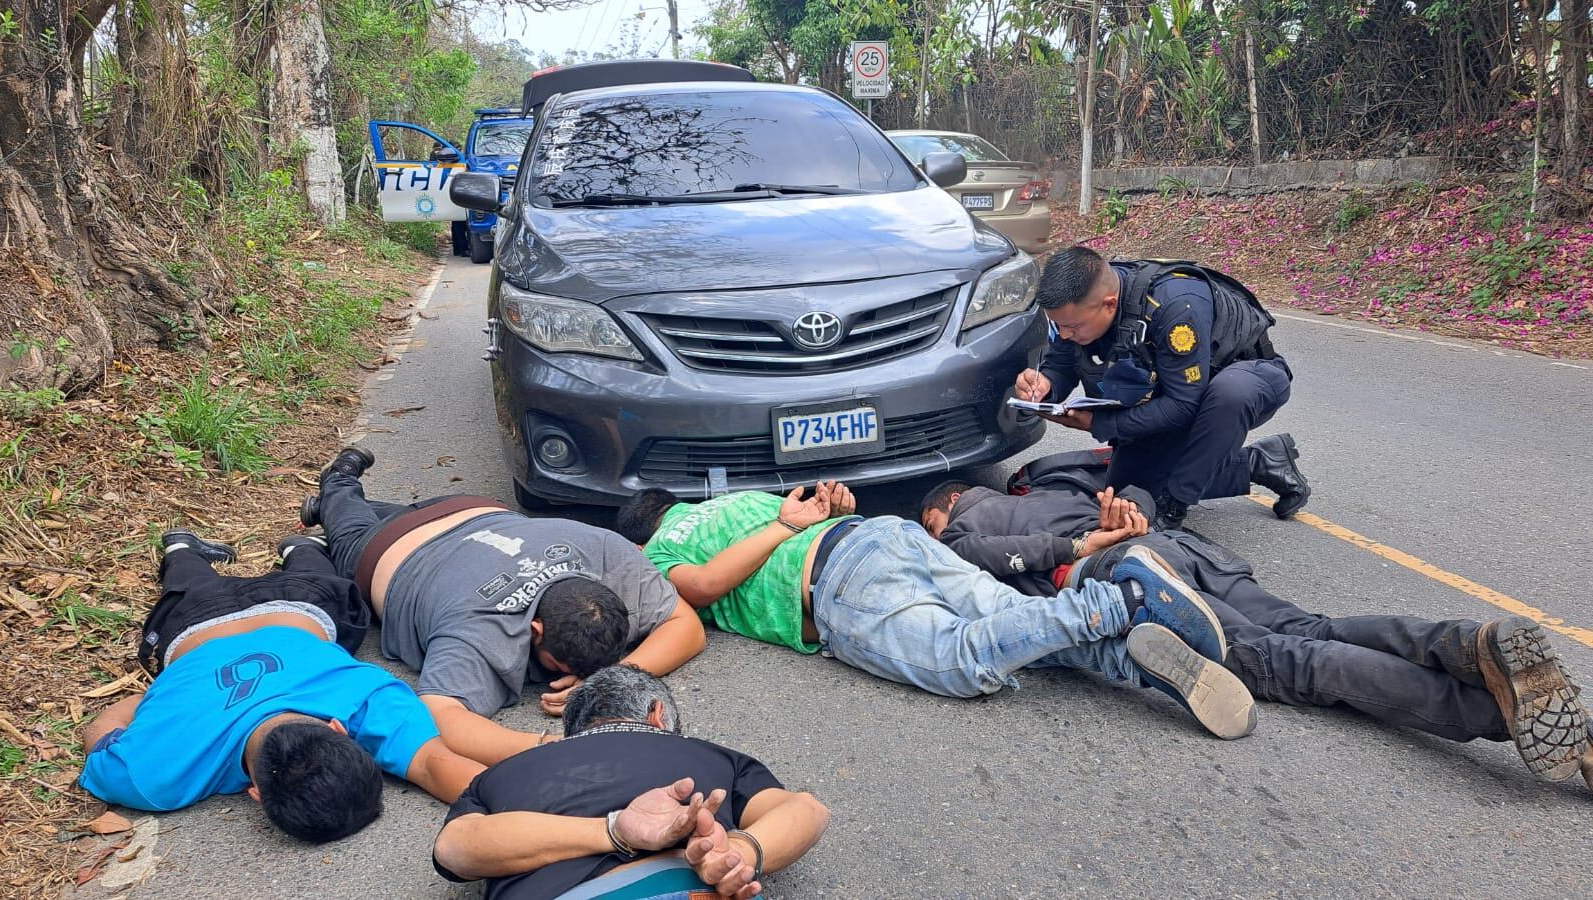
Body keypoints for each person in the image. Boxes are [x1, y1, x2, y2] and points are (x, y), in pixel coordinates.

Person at [919, 474, 1593, 789]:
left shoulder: (965, 530)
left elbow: (993, 560)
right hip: (1183, 549)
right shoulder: (1048, 481)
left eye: (932, 527)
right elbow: (1144, 490)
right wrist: (1129, 510)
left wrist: (1084, 539)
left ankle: (1495, 711)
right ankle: (1465, 645)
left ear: (944, 510)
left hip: (1130, 571)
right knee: (1312, 626)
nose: (935, 539)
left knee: (1287, 662)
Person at [617, 482, 1259, 739]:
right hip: (885, 536)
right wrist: (801, 521)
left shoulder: (665, 541)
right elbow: (808, 523)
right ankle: (1140, 661)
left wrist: (784, 529)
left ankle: (1122, 600)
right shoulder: (741, 499)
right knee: (1020, 625)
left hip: (841, 585)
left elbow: (697, 589)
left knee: (964, 657)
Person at [79, 530, 493, 842]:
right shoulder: (148, 776)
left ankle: (300, 546)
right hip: (193, 625)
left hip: (293, 606)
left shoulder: (367, 697)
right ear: (257, 794)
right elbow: (99, 734)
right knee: (187, 589)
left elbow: (434, 764)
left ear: (337, 730)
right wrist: (148, 703)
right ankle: (183, 551)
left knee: (322, 582)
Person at [300, 447, 705, 765]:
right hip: (386, 550)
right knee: (348, 528)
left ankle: (352, 511)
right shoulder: (481, 630)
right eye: (558, 666)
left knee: (390, 518)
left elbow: (685, 625)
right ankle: (337, 481)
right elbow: (440, 714)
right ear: (535, 630)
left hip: (466, 509)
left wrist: (613, 674)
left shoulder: (609, 553)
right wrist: (552, 749)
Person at [433, 665, 829, 900]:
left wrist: (611, 831)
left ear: (571, 733)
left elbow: (454, 849)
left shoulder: (503, 773)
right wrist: (737, 856)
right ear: (658, 715)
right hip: (686, 887)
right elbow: (807, 810)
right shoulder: (715, 756)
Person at [1012, 245, 1310, 530]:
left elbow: (1183, 405)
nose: (1064, 334)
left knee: (1229, 394)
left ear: (1110, 304)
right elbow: (1061, 364)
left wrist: (1100, 423)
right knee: (1126, 492)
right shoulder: (1079, 310)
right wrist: (1045, 385)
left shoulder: (1174, 305)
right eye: (1059, 326)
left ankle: (1174, 506)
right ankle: (1260, 463)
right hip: (1170, 395)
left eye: (1073, 327)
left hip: (1247, 377)